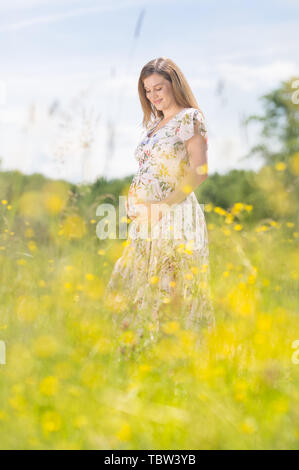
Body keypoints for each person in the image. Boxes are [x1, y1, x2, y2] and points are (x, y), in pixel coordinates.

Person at [105, 57, 216, 349]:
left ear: (174, 85)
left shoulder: (189, 118)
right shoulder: (154, 124)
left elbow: (199, 170)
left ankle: (177, 359)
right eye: (147, 90)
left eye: (159, 88)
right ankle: (138, 354)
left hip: (174, 215)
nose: (153, 95)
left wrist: (162, 206)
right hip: (145, 221)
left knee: (170, 287)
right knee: (134, 284)